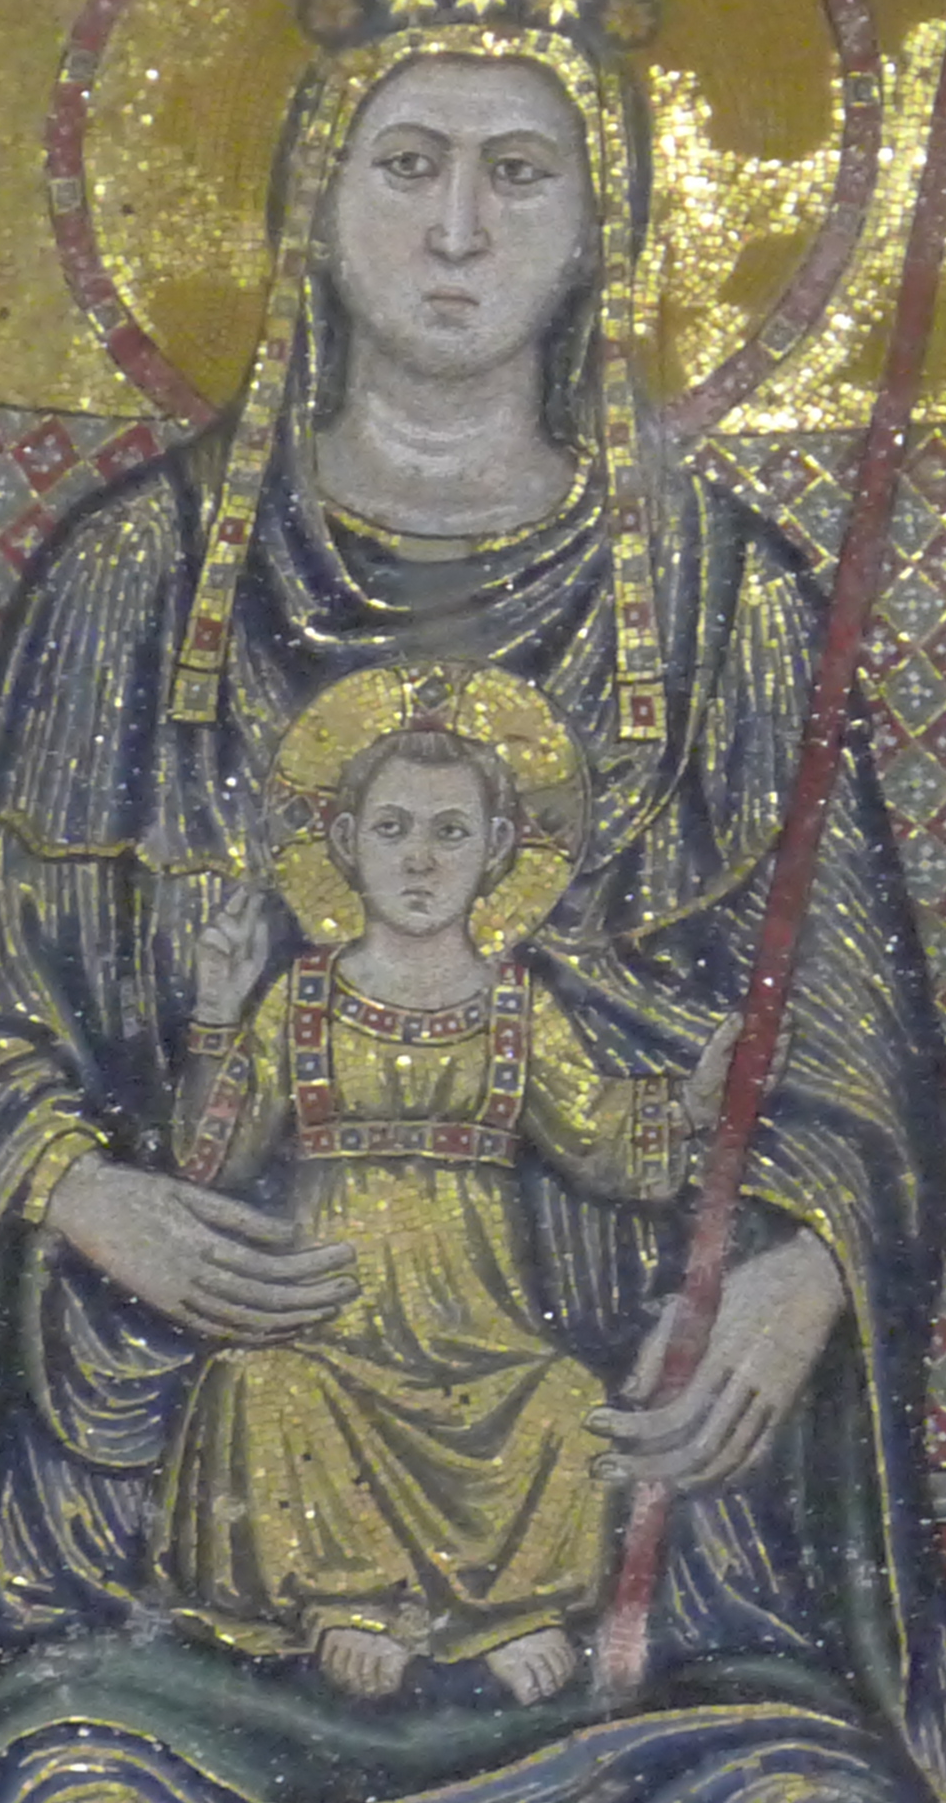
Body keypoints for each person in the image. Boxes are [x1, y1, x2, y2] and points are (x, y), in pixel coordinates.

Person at [0, 0, 946, 1803]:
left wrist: (804, 1269)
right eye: (408, 164)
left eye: (517, 175)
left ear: (603, 222)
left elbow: (856, 1073)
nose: (457, 233)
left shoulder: (731, 608)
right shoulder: (131, 583)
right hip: (186, 1516)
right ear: (312, 197)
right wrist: (87, 1195)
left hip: (635, 1536)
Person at [160, 689, 732, 1708]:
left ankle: (510, 1611)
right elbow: (212, 1159)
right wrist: (215, 1012)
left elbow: (600, 1139)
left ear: (498, 850)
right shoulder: (301, 1001)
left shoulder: (515, 1009)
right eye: (392, 828)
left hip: (479, 1339)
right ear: (343, 842)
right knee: (258, 1389)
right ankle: (346, 1601)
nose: (419, 860)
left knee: (565, 1406)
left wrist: (689, 1108)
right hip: (330, 1334)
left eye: (449, 832)